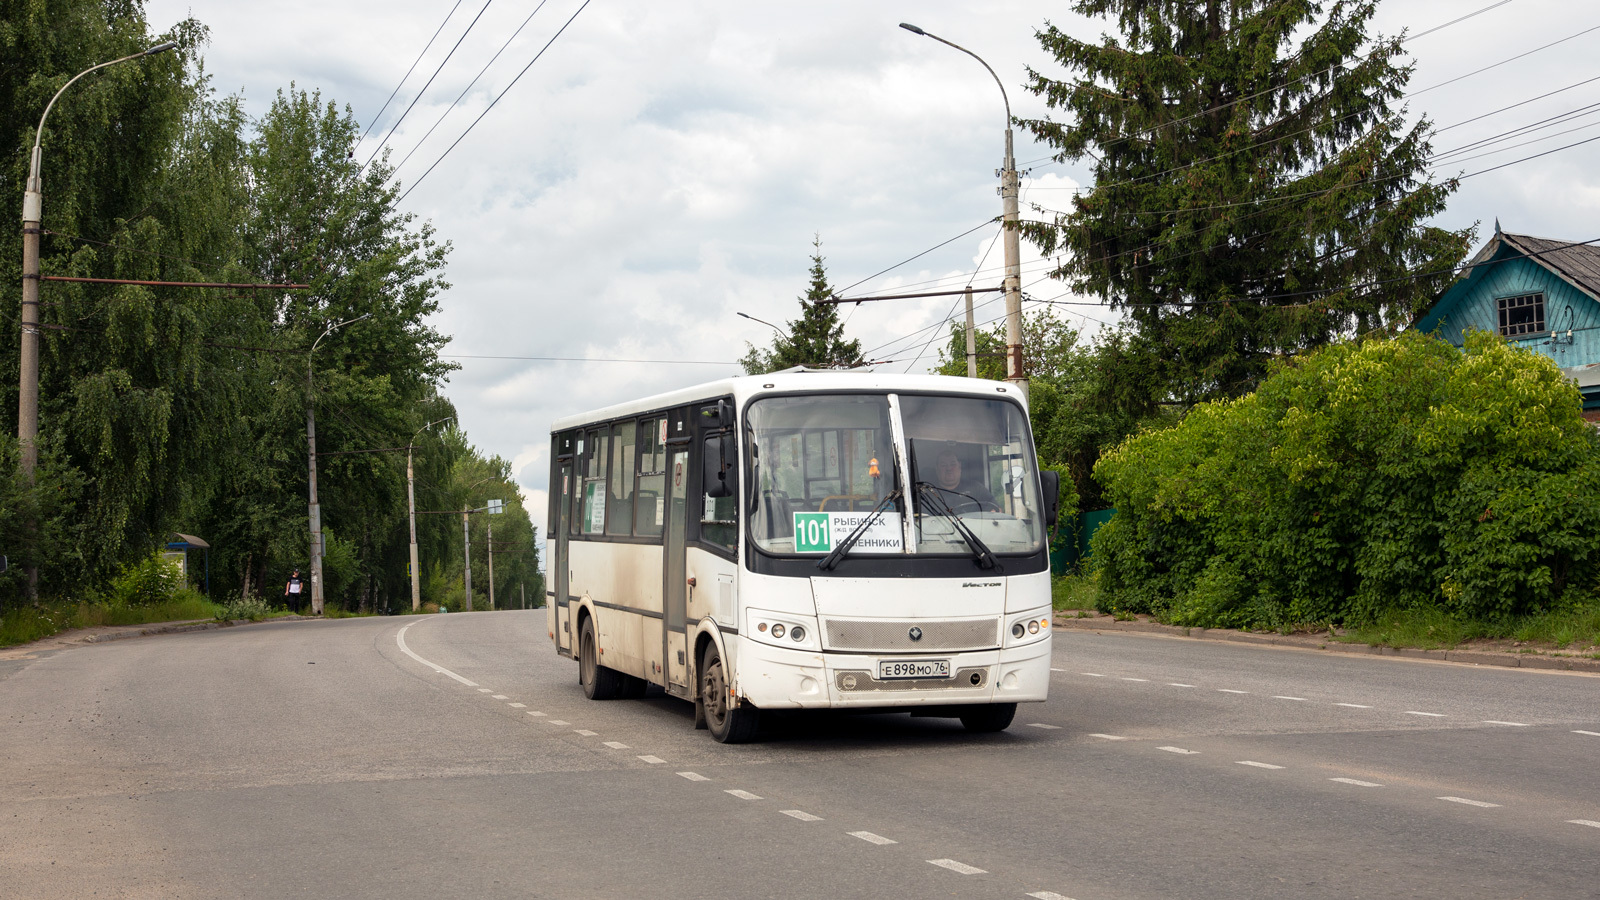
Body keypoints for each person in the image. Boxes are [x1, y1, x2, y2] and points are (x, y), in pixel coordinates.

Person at [926, 448, 997, 513]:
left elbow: (995, 509)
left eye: (953, 464)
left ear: (959, 466)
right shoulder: (927, 494)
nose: (949, 469)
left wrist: (994, 513)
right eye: (943, 465)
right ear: (937, 469)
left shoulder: (976, 488)